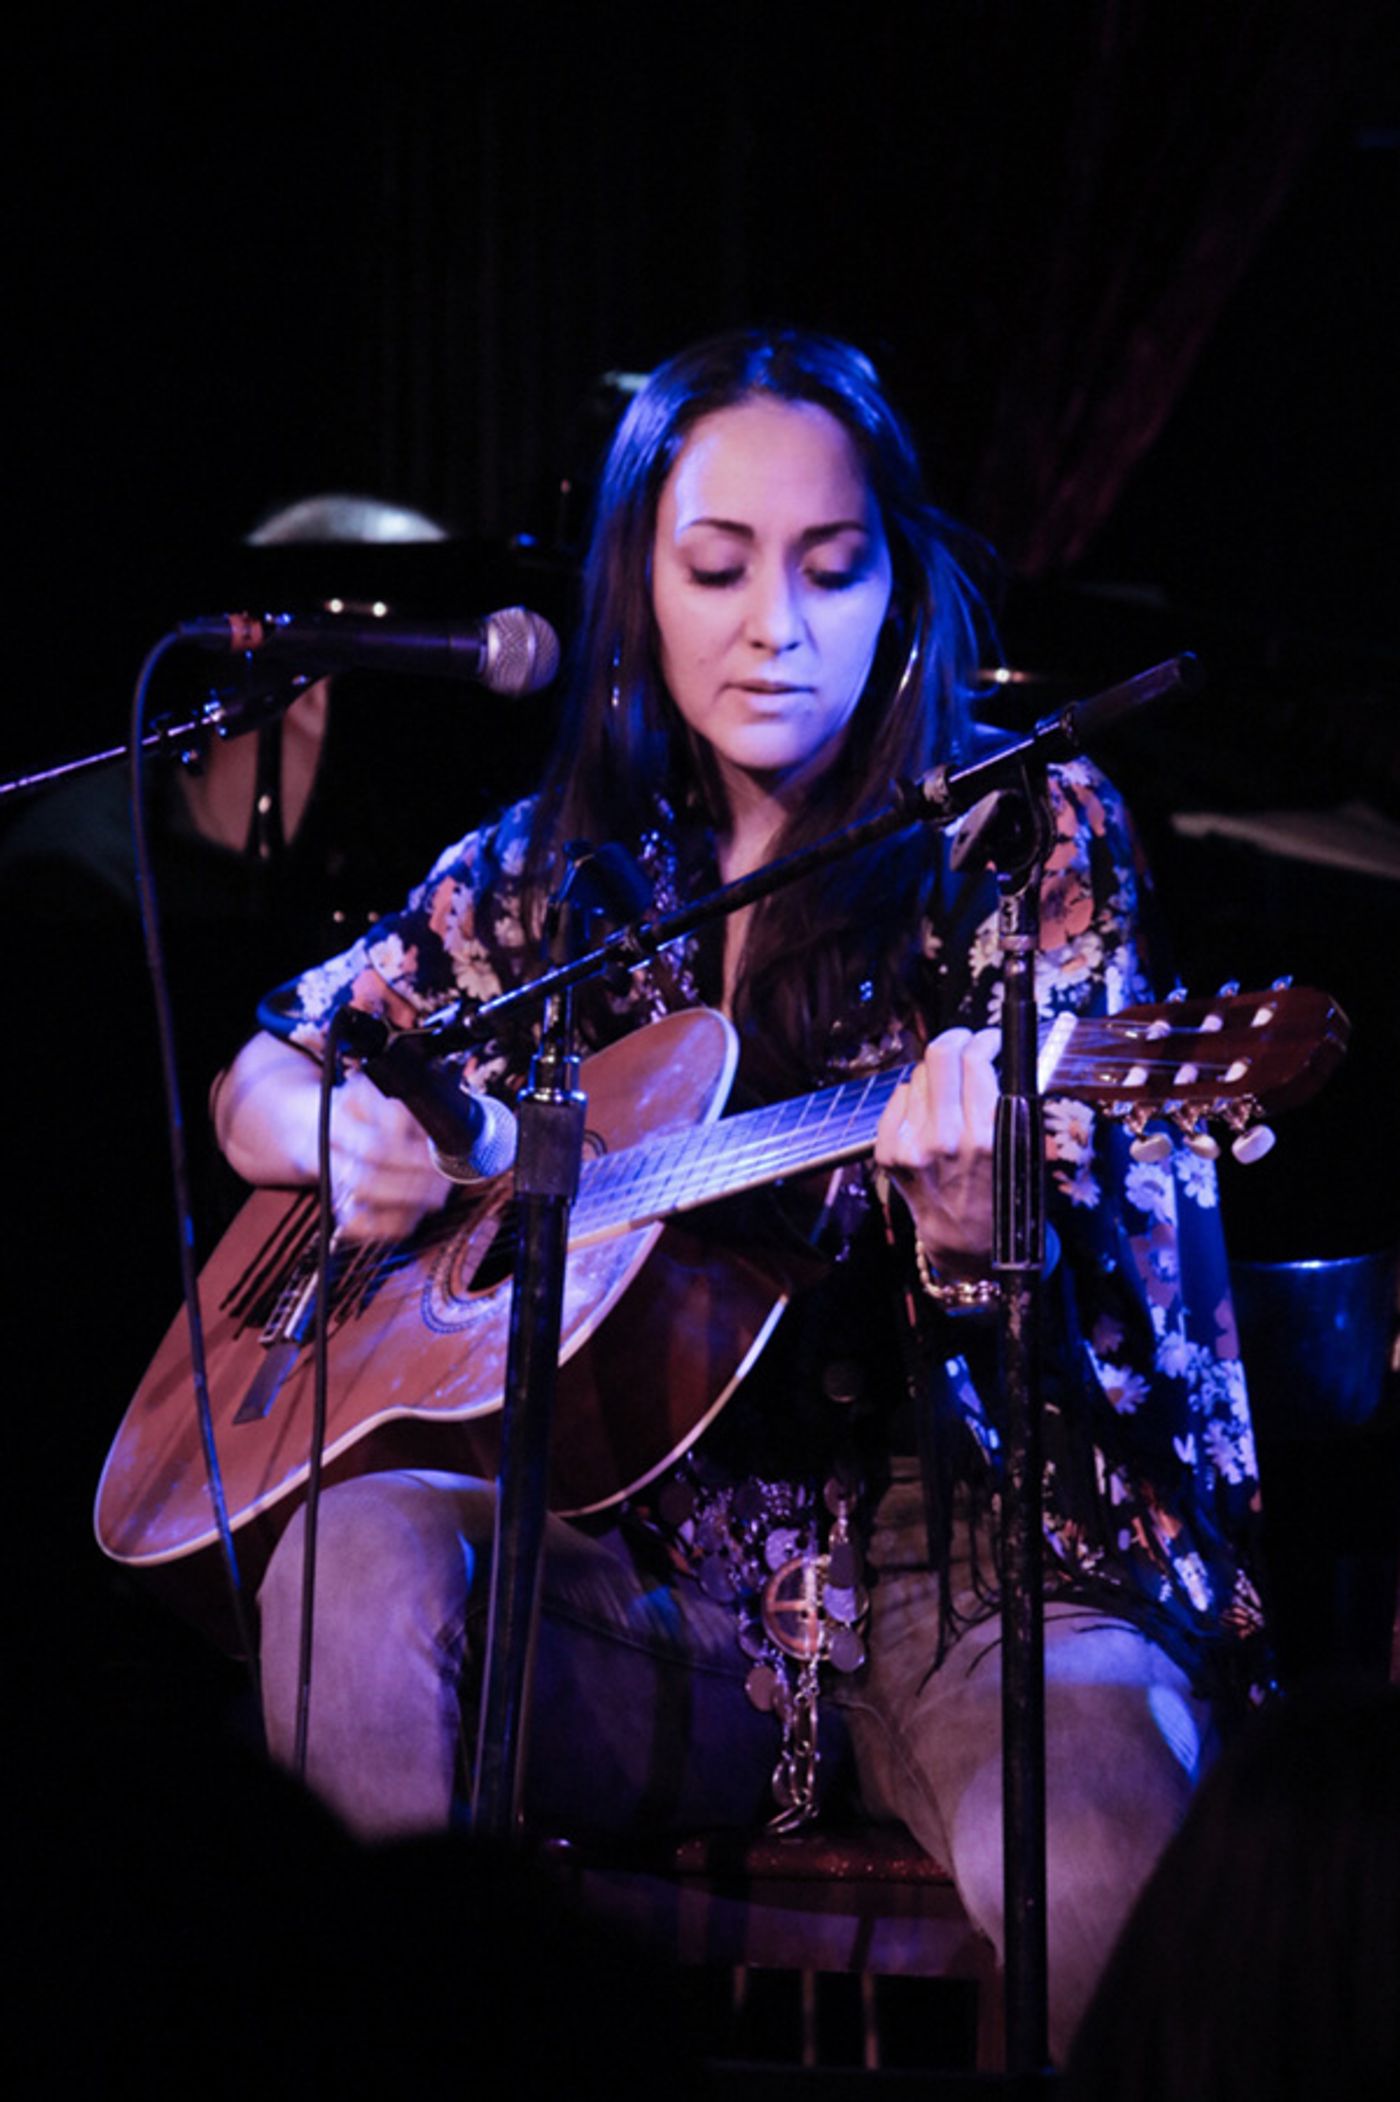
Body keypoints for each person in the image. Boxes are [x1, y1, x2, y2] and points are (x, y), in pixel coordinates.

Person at [212, 329, 1270, 2060]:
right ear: (638, 582)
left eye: (831, 568)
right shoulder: (557, 874)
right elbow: (272, 1059)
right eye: (717, 567)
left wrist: (969, 1231)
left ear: (901, 590)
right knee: (355, 1557)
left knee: (1099, 1853)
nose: (775, 621)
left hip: (984, 1573)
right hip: (653, 1583)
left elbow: (1111, 1289)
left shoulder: (1026, 831)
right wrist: (328, 1128)